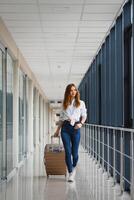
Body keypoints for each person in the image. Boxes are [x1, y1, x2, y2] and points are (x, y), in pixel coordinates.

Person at [54, 83, 87, 182]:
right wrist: (57, 131)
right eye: (71, 90)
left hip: (76, 127)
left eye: (74, 90)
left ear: (76, 91)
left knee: (74, 153)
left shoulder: (81, 103)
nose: (73, 92)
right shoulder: (64, 103)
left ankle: (73, 166)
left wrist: (81, 123)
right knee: (68, 152)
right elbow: (61, 119)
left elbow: (84, 115)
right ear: (68, 92)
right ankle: (71, 172)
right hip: (66, 128)